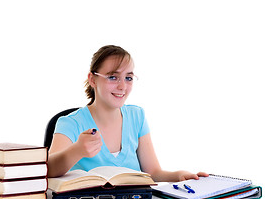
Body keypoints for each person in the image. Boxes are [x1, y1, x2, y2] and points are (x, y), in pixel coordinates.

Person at [48, 45, 208, 182]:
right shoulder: (70, 123)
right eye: (113, 77)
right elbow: (48, 169)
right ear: (93, 80)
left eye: (129, 78)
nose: (122, 86)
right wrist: (76, 150)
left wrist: (179, 176)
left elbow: (153, 173)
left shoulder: (137, 116)